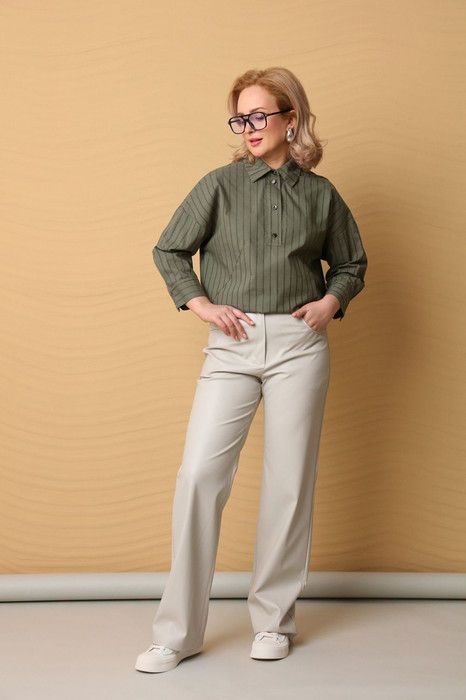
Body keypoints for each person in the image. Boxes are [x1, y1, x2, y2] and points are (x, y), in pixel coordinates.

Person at [136, 67, 367, 674]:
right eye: (241, 117)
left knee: (289, 484)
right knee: (198, 477)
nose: (249, 127)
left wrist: (330, 302)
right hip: (231, 346)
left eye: (260, 115)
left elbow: (352, 264)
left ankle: (274, 622)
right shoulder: (218, 184)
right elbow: (168, 249)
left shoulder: (321, 194)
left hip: (299, 345)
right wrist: (201, 304)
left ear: (292, 119)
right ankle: (177, 633)